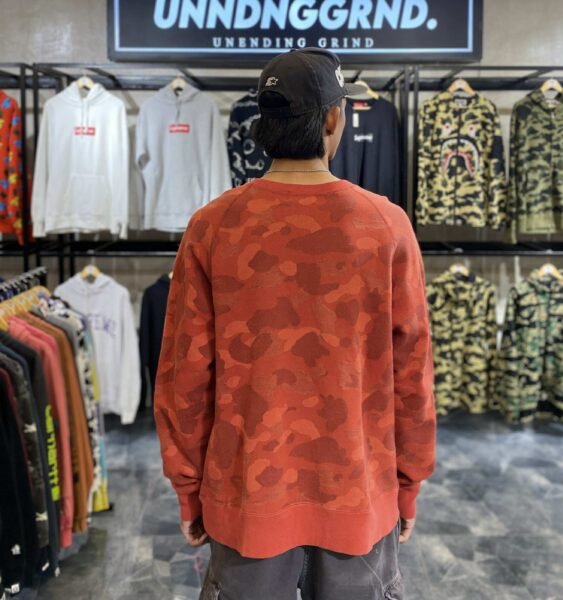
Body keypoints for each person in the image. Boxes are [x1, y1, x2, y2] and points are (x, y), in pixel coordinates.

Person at [155, 48, 436, 600]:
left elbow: (183, 376)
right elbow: (412, 376)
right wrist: (407, 485)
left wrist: (190, 490)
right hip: (358, 495)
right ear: (333, 119)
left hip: (247, 499)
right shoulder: (386, 225)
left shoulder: (212, 225)